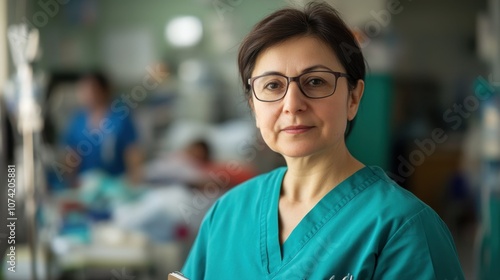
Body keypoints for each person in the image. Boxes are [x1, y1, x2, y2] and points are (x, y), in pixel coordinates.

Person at [182, 2, 465, 279]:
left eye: (315, 81)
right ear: (253, 105)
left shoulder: (403, 228)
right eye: (272, 85)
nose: (292, 104)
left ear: (353, 98)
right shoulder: (227, 214)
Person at [61, 71, 142, 186]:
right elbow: (71, 158)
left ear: (104, 90)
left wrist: (134, 181)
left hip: (116, 183)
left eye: (91, 90)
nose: (86, 95)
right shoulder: (77, 121)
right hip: (85, 184)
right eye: (82, 90)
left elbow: (132, 154)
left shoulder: (120, 119)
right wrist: (70, 184)